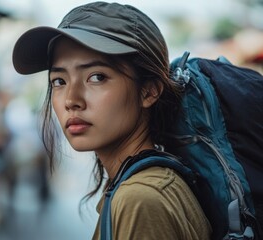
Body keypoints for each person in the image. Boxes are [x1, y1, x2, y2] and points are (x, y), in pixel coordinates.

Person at [12, 2, 211, 239]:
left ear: (148, 91)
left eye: (97, 77)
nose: (71, 100)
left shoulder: (141, 199)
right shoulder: (137, 187)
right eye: (59, 81)